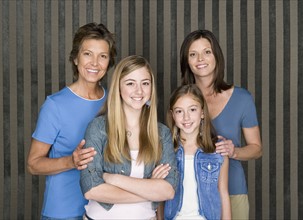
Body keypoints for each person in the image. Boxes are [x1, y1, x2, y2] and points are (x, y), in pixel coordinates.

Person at [27, 22, 117, 219]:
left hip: (105, 211)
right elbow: (33, 164)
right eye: (87, 54)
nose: (95, 63)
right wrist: (70, 161)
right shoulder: (55, 105)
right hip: (63, 211)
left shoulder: (116, 103)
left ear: (109, 62)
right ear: (76, 58)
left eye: (102, 56)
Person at [80, 55, 178, 220]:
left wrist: (112, 178)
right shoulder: (97, 128)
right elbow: (91, 189)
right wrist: (150, 190)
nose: (139, 91)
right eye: (130, 83)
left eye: (145, 83)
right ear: (118, 87)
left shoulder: (161, 133)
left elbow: (168, 190)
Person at [180, 29, 262, 219]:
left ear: (216, 55)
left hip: (233, 191)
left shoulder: (242, 98)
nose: (200, 58)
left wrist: (235, 152)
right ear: (187, 62)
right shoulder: (181, 100)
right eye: (193, 54)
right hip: (190, 195)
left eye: (207, 52)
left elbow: (257, 148)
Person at [164, 84, 231, 220]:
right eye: (179, 111)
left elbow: (223, 192)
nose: (186, 117)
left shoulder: (217, 151)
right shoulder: (165, 150)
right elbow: (159, 196)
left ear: (202, 112)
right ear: (172, 115)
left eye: (192, 110)